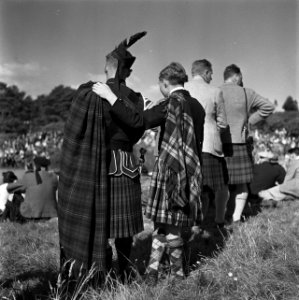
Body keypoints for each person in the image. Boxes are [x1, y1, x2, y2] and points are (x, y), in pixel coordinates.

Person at [93, 62, 205, 283]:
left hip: (173, 173)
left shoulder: (171, 104)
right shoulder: (197, 105)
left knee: (171, 226)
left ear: (164, 83)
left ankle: (179, 276)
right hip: (191, 171)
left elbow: (138, 121)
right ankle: (152, 273)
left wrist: (111, 97)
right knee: (163, 225)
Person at [58, 31, 147, 282]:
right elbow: (136, 131)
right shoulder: (135, 98)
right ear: (125, 71)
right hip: (125, 164)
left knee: (101, 223)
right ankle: (125, 275)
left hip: (94, 165)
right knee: (124, 230)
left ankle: (101, 274)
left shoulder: (88, 94)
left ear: (107, 68)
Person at [220, 64, 275, 223]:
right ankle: (236, 218)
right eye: (241, 78)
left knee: (221, 183)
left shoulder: (215, 91)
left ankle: (220, 216)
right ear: (236, 76)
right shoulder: (246, 92)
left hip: (219, 143)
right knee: (242, 184)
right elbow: (268, 107)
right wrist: (249, 121)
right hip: (240, 143)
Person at [185, 59, 229, 229]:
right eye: (211, 74)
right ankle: (208, 221)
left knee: (190, 186)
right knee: (210, 186)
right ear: (205, 73)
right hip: (209, 145)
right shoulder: (215, 91)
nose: (212, 77)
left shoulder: (183, 88)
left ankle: (191, 223)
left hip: (188, 143)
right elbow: (223, 123)